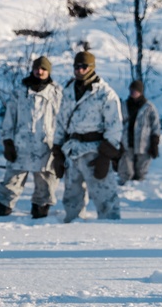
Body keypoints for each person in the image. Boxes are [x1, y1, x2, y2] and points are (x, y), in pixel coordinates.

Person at [51, 51, 123, 222]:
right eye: (77, 67)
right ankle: (73, 232)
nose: (80, 70)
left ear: (92, 68)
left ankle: (113, 235)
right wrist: (57, 151)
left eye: (84, 67)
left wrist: (106, 156)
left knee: (105, 197)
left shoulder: (105, 93)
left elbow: (114, 126)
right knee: (71, 199)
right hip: (73, 151)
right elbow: (61, 121)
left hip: (95, 151)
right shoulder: (68, 92)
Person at [0, 56, 63, 218]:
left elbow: (62, 121)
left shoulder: (57, 94)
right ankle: (1, 215)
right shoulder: (19, 93)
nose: (40, 71)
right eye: (37, 68)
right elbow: (9, 119)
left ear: (49, 71)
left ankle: (39, 218)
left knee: (46, 186)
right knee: (10, 185)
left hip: (46, 148)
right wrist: (8, 142)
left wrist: (60, 147)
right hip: (20, 147)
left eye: (44, 69)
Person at [118, 80, 161, 185]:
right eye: (131, 90)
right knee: (126, 172)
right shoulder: (123, 106)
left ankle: (138, 193)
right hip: (126, 144)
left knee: (141, 173)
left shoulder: (149, 107)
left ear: (141, 92)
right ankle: (125, 191)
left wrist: (154, 143)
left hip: (144, 145)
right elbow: (117, 124)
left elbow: (156, 126)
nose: (133, 92)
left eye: (136, 90)